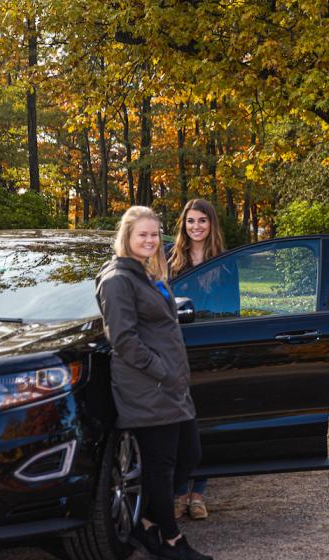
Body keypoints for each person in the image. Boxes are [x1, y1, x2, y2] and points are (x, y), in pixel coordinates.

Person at [95, 206, 212, 560]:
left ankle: (146, 522)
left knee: (189, 454)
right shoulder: (117, 280)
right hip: (147, 387)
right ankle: (172, 542)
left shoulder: (146, 274)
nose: (149, 240)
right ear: (127, 238)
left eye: (153, 234)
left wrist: (172, 374)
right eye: (142, 234)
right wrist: (161, 370)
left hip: (170, 386)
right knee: (161, 467)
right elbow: (124, 340)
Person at [168, 198, 225, 521]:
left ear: (210, 224)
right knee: (179, 425)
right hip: (176, 348)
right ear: (184, 225)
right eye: (191, 221)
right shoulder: (170, 259)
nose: (196, 227)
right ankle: (177, 492)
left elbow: (234, 306)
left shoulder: (225, 263)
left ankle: (198, 493)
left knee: (204, 424)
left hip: (209, 348)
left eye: (202, 221)